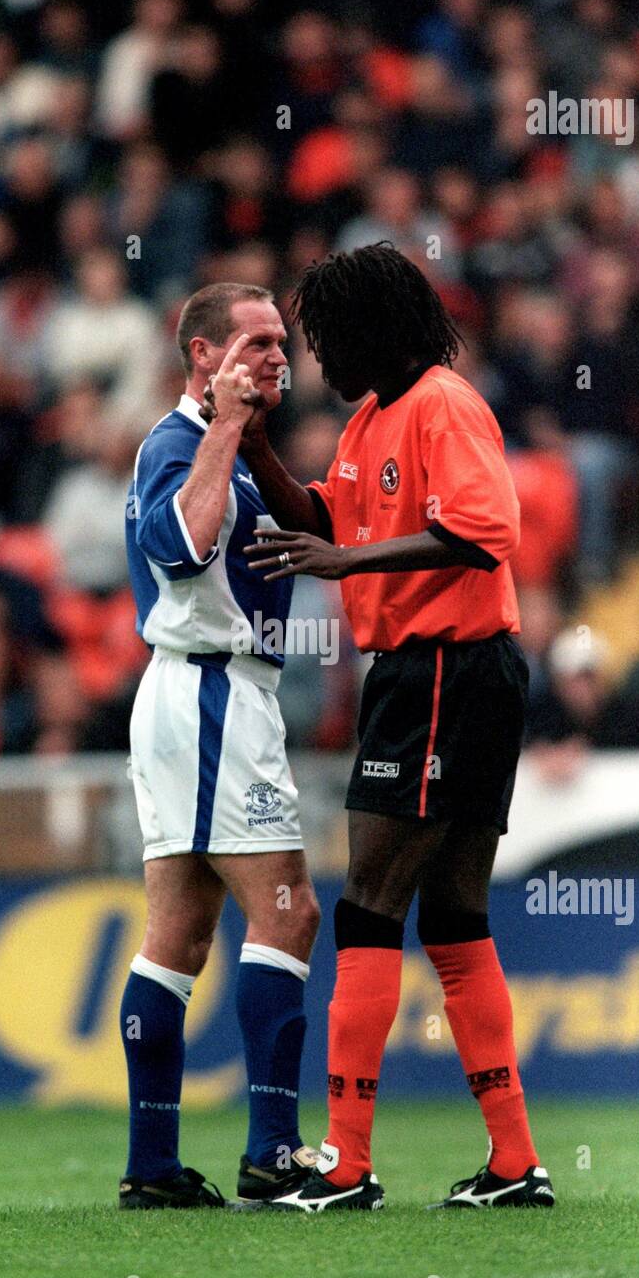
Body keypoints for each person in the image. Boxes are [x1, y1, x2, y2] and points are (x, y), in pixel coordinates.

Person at [240, 242, 554, 1210]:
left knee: (367, 904)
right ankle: (512, 1163)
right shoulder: (371, 417)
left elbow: (480, 529)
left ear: (368, 332)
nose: (318, 359)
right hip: (441, 672)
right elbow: (325, 520)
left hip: (441, 668)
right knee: (453, 914)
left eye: (327, 338)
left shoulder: (442, 405)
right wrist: (248, 443)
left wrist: (348, 567)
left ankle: (345, 1159)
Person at [119, 281, 320, 1209]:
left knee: (181, 933)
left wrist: (247, 433)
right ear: (203, 355)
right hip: (210, 690)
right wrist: (224, 430)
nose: (279, 354)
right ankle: (272, 1152)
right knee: (288, 912)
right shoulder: (176, 445)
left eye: (282, 341)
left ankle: (153, 1169)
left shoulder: (236, 448)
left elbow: (315, 528)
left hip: (206, 692)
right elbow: (183, 548)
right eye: (257, 341)